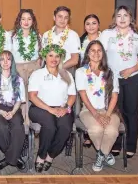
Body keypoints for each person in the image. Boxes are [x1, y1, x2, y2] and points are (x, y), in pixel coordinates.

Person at [99, 5, 138, 159]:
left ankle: (131, 145)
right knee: (114, 112)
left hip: (131, 78)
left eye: (125, 15)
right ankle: (116, 144)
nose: (122, 19)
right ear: (115, 19)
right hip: (112, 79)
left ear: (130, 18)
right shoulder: (107, 35)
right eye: (119, 16)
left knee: (131, 112)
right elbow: (99, 54)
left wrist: (130, 70)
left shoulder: (137, 38)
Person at [28, 44, 76, 173]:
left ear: (60, 58)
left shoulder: (66, 75)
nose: (54, 59)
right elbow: (32, 96)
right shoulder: (37, 74)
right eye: (50, 55)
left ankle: (51, 155)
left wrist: (66, 107)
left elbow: (72, 95)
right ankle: (41, 155)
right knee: (50, 126)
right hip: (40, 108)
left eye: (57, 56)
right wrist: (50, 109)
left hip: (62, 108)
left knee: (66, 127)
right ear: (45, 56)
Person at [75, 40, 120, 172]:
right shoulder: (81, 72)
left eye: (99, 50)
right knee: (96, 130)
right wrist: (95, 114)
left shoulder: (110, 72)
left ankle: (101, 155)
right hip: (88, 111)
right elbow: (83, 95)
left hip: (109, 110)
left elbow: (114, 95)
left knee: (111, 131)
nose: (96, 53)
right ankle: (106, 153)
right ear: (88, 53)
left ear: (103, 54)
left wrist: (106, 115)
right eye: (92, 50)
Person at [0, 51, 26, 171]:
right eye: (2, 59)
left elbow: (19, 100)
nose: (5, 62)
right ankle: (14, 158)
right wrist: (0, 111)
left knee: (18, 127)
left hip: (14, 108)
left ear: (12, 62)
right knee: (1, 127)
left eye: (8, 59)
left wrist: (13, 112)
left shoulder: (18, 79)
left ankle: (8, 159)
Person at [11, 9, 42, 120]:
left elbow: (41, 54)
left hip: (33, 69)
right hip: (18, 69)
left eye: (29, 19)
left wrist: (38, 62)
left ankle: (30, 119)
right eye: (23, 19)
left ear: (32, 21)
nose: (26, 21)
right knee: (21, 95)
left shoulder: (38, 36)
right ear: (19, 21)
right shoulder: (12, 36)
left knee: (32, 95)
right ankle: (23, 120)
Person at [78, 14, 101, 148]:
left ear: (98, 25)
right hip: (85, 76)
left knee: (100, 103)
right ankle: (88, 135)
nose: (91, 26)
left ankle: (100, 132)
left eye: (94, 23)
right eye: (88, 24)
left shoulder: (104, 38)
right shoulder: (81, 40)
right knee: (86, 104)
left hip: (101, 76)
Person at [41, 6, 80, 73]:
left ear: (68, 19)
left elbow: (75, 60)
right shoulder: (46, 35)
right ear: (54, 17)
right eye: (60, 16)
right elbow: (43, 56)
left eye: (66, 17)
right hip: (48, 70)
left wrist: (57, 69)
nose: (62, 20)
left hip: (66, 70)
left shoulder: (73, 35)